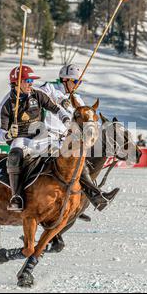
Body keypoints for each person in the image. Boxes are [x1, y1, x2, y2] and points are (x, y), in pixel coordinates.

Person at [39, 64, 119, 211]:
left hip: (67, 140)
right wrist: (60, 100)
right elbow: (39, 96)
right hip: (47, 136)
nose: (77, 85)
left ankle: (78, 204)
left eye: (79, 82)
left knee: (81, 163)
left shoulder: (77, 99)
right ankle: (95, 197)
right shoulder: (50, 88)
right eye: (76, 81)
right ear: (64, 79)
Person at [0, 65, 72, 211]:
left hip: (40, 136)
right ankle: (16, 196)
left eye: (32, 80)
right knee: (15, 156)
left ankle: (70, 190)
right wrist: (8, 134)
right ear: (17, 82)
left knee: (64, 153)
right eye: (28, 80)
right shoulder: (7, 103)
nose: (31, 83)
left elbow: (54, 107)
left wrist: (65, 118)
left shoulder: (37, 94)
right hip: (20, 139)